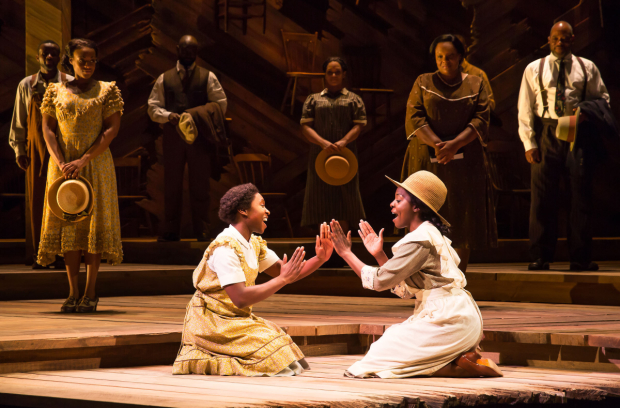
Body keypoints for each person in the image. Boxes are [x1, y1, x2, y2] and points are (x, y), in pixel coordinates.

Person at [328, 170, 503, 378]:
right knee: (388, 343)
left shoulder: (419, 240)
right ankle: (457, 360)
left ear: (416, 207)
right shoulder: (429, 234)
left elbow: (379, 281)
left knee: (374, 359)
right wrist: (380, 255)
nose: (392, 204)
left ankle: (455, 366)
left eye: (399, 200)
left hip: (448, 320)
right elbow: (405, 290)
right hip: (456, 316)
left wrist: (346, 253)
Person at [173, 183, 333, 376]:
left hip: (236, 318)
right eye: (262, 205)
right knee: (275, 357)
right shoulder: (225, 248)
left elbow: (286, 273)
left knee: (284, 348)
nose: (268, 211)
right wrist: (283, 279)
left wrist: (320, 258)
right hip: (213, 323)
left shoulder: (253, 244)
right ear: (243, 211)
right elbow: (240, 298)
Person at [39, 38, 124, 312]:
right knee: (69, 228)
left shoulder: (107, 90)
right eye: (82, 61)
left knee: (92, 230)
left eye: (92, 61)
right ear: (70, 62)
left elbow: (111, 129)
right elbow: (48, 129)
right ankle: (72, 292)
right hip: (63, 166)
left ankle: (90, 291)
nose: (88, 66)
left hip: (95, 164)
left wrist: (84, 158)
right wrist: (61, 161)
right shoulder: (55, 90)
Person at [518, 21, 609, 271]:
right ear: (549, 39)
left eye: (565, 38)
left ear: (573, 39)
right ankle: (540, 256)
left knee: (580, 196)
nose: (560, 43)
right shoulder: (534, 68)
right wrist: (529, 143)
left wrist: (587, 113)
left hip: (577, 131)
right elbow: (524, 109)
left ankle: (580, 257)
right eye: (556, 38)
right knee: (542, 198)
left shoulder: (586, 67)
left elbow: (602, 98)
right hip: (547, 130)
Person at [403, 34, 496, 272]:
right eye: (440, 57)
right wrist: (437, 144)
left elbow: (482, 117)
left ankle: (458, 278)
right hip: (427, 160)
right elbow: (414, 116)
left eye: (451, 56)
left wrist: (454, 144)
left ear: (461, 58)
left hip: (466, 163)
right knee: (427, 214)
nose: (445, 61)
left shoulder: (476, 82)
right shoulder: (423, 81)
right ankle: (426, 276)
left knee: (462, 215)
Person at [147, 35, 227, 242]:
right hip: (173, 136)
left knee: (200, 184)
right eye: (185, 50)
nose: (189, 54)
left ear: (197, 51)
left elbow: (220, 104)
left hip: (200, 137)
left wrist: (197, 114)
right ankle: (171, 229)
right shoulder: (164, 78)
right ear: (177, 49)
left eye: (192, 50)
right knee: (171, 183)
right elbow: (153, 108)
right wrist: (168, 116)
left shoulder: (208, 77)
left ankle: (202, 229)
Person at [9, 40, 73, 269]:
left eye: (54, 54)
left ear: (59, 58)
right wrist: (20, 150)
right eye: (45, 54)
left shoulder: (71, 83)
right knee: (38, 201)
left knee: (66, 199)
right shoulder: (27, 85)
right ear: (38, 57)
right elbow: (19, 121)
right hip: (35, 150)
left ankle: (66, 254)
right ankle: (41, 255)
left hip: (65, 150)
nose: (49, 58)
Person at [300, 57, 367, 234]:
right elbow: (305, 127)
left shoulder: (353, 99)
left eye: (337, 72)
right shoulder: (313, 99)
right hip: (320, 155)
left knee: (344, 200)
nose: (333, 75)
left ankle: (344, 249)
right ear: (324, 75)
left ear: (344, 74)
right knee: (320, 198)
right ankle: (325, 250)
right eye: (330, 72)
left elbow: (359, 125)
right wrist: (321, 142)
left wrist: (344, 140)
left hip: (345, 155)